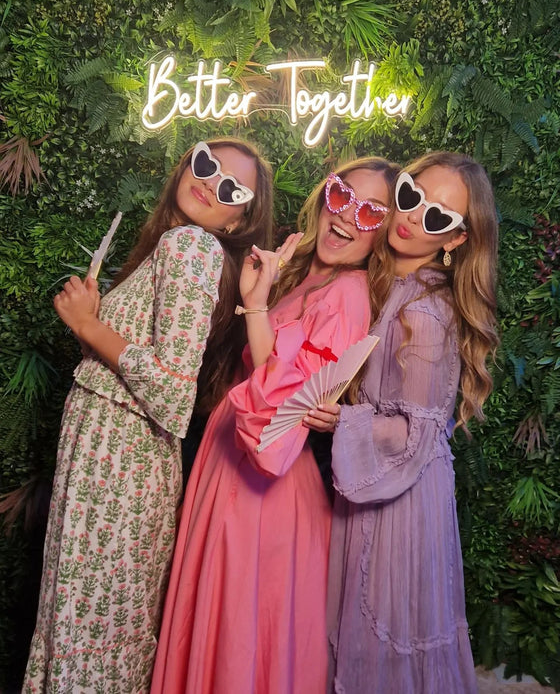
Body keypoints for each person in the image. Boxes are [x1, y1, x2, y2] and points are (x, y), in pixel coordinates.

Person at [23, 137, 274, 694]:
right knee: (85, 637)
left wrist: (89, 326)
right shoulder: (172, 246)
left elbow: (172, 393)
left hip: (120, 472)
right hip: (110, 466)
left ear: (237, 223)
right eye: (206, 164)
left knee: (87, 642)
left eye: (231, 189)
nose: (210, 183)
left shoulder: (194, 248)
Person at [150, 156, 400, 694]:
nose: (347, 217)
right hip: (228, 465)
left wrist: (256, 305)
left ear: (383, 234)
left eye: (370, 213)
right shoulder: (303, 272)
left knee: (242, 634)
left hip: (265, 491)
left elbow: (281, 409)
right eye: (340, 197)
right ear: (323, 196)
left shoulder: (350, 295)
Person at [321, 151, 499, 693]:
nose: (413, 216)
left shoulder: (423, 312)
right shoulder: (385, 285)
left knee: (384, 635)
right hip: (376, 482)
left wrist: (340, 421)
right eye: (410, 194)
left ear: (455, 239)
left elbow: (416, 437)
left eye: (438, 217)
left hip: (400, 499)